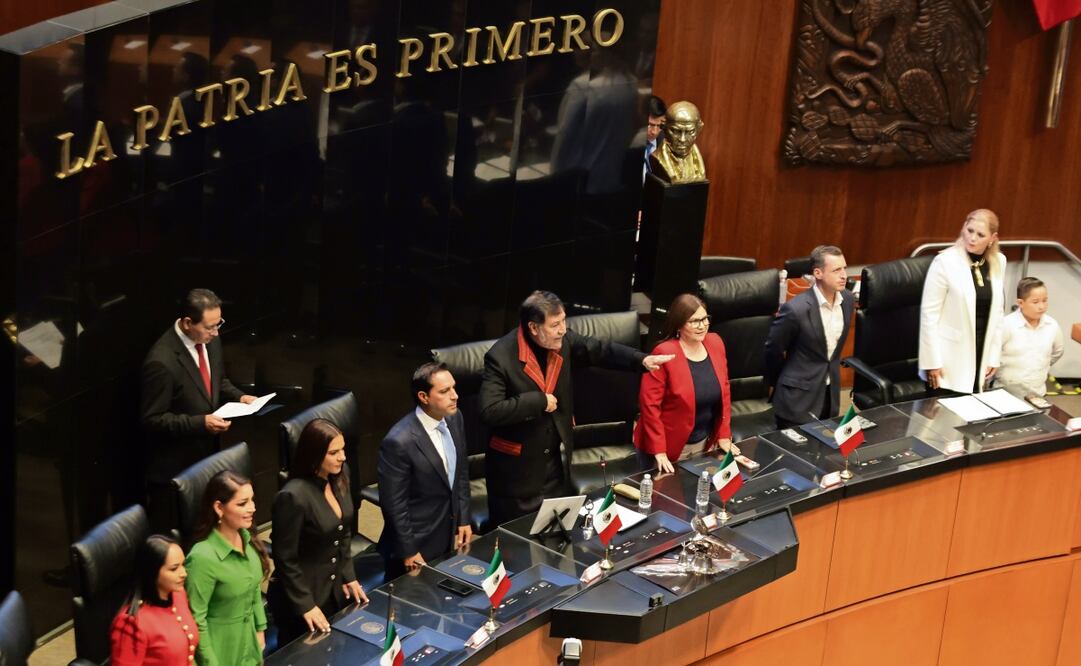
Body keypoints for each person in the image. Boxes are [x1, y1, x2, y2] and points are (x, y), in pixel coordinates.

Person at [479, 290, 674, 525]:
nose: (563, 329)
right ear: (533, 327)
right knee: (517, 544)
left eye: (564, 321)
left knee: (557, 535)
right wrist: (539, 401)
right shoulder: (500, 357)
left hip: (556, 466)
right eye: (555, 325)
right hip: (517, 475)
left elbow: (599, 349)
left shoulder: (563, 341)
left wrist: (640, 359)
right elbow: (489, 410)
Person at [140, 289, 255, 483]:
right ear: (187, 323)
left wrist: (240, 397)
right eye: (210, 327)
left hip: (208, 454)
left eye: (219, 324)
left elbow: (217, 380)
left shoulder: (209, 338)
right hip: (178, 466)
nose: (216, 332)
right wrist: (200, 423)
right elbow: (153, 419)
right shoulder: (161, 362)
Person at [270, 419, 368, 644]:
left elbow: (343, 531)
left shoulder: (341, 475)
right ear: (314, 455)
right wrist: (306, 605)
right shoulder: (292, 497)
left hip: (334, 589)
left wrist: (349, 575)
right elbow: (285, 559)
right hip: (302, 596)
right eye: (334, 452)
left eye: (343, 449)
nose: (342, 457)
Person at [377, 363, 472, 580]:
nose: (454, 396)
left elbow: (461, 471)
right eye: (444, 391)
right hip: (416, 544)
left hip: (448, 534)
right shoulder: (398, 441)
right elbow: (394, 505)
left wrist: (463, 518)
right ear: (424, 396)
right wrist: (408, 550)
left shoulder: (455, 418)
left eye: (454, 388)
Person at [635, 294, 739, 474]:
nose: (702, 325)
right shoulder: (664, 352)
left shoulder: (715, 342)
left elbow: (725, 391)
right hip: (667, 445)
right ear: (679, 324)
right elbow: (650, 405)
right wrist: (659, 450)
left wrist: (723, 434)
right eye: (694, 321)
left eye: (705, 318)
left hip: (705, 441)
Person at [764, 245, 855, 429]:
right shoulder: (795, 309)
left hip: (830, 394)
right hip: (797, 398)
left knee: (823, 450)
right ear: (818, 273)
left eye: (844, 268)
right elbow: (773, 350)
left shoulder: (848, 300)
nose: (844, 275)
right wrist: (783, 382)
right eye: (837, 270)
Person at [185, 471, 269, 666]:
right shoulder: (202, 557)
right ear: (219, 508)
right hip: (220, 652)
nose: (252, 508)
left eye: (252, 500)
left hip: (250, 648)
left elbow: (253, 588)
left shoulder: (247, 540)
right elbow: (196, 621)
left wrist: (260, 629)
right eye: (242, 504)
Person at [919, 209, 1007, 394]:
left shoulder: (999, 261)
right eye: (969, 230)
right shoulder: (944, 262)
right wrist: (931, 362)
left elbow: (998, 313)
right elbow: (929, 316)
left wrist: (994, 355)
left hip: (981, 353)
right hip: (948, 359)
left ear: (993, 238)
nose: (972, 238)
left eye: (980, 234)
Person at [110, 535, 198, 666]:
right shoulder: (132, 623)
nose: (184, 573)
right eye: (174, 569)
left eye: (183, 565)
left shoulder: (178, 595)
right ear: (152, 572)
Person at [996, 277, 1064, 397]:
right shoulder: (1006, 324)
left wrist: (1039, 365)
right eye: (1036, 302)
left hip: (1037, 392)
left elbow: (1057, 353)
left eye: (1045, 300)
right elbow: (992, 354)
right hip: (1005, 392)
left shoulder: (1052, 325)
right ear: (1020, 303)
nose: (1042, 306)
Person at [648, 100, 706, 183]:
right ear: (665, 128)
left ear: (699, 129)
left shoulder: (697, 161)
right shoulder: (656, 156)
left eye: (689, 132)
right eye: (676, 131)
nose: (682, 139)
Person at [642, 95, 667, 184]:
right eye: (651, 125)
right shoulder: (628, 142)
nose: (655, 132)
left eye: (660, 126)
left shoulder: (667, 142)